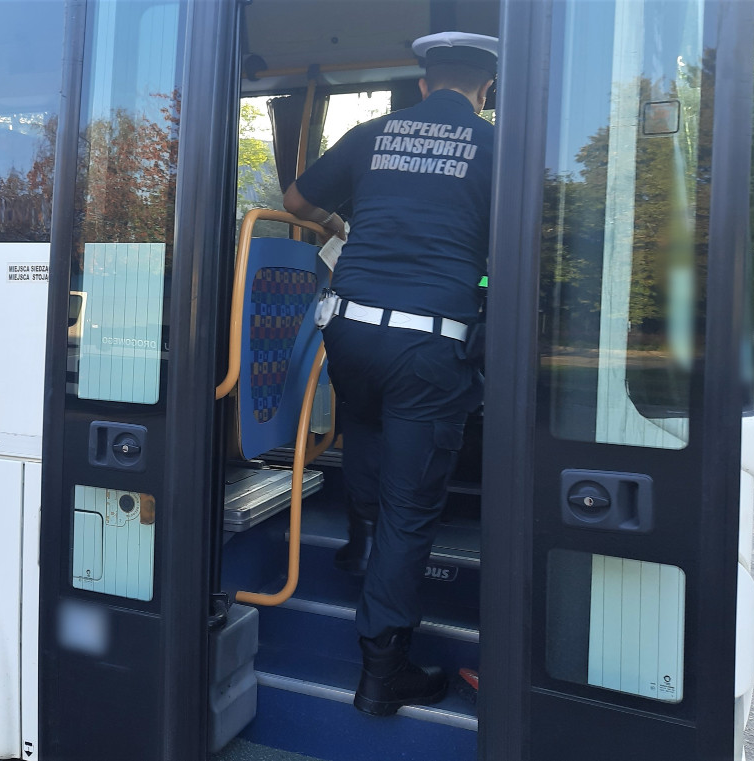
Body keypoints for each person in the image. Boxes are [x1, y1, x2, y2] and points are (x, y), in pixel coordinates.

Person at [282, 31, 497, 716]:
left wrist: (344, 224)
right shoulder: (495, 146)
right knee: (413, 509)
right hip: (429, 347)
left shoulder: (372, 133)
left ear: (425, 84)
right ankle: (383, 670)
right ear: (485, 89)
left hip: (349, 330)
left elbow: (296, 202)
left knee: (365, 426)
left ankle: (359, 547)